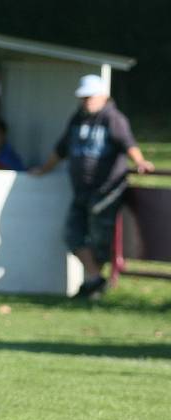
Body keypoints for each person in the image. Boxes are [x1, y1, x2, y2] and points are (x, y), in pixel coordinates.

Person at [31, 74, 154, 299]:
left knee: (100, 241)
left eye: (90, 97)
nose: (86, 101)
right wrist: (43, 170)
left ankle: (94, 285)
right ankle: (96, 279)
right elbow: (61, 150)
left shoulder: (113, 118)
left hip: (106, 191)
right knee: (72, 235)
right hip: (81, 191)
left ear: (103, 96)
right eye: (83, 97)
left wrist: (140, 162)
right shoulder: (77, 119)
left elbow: (128, 144)